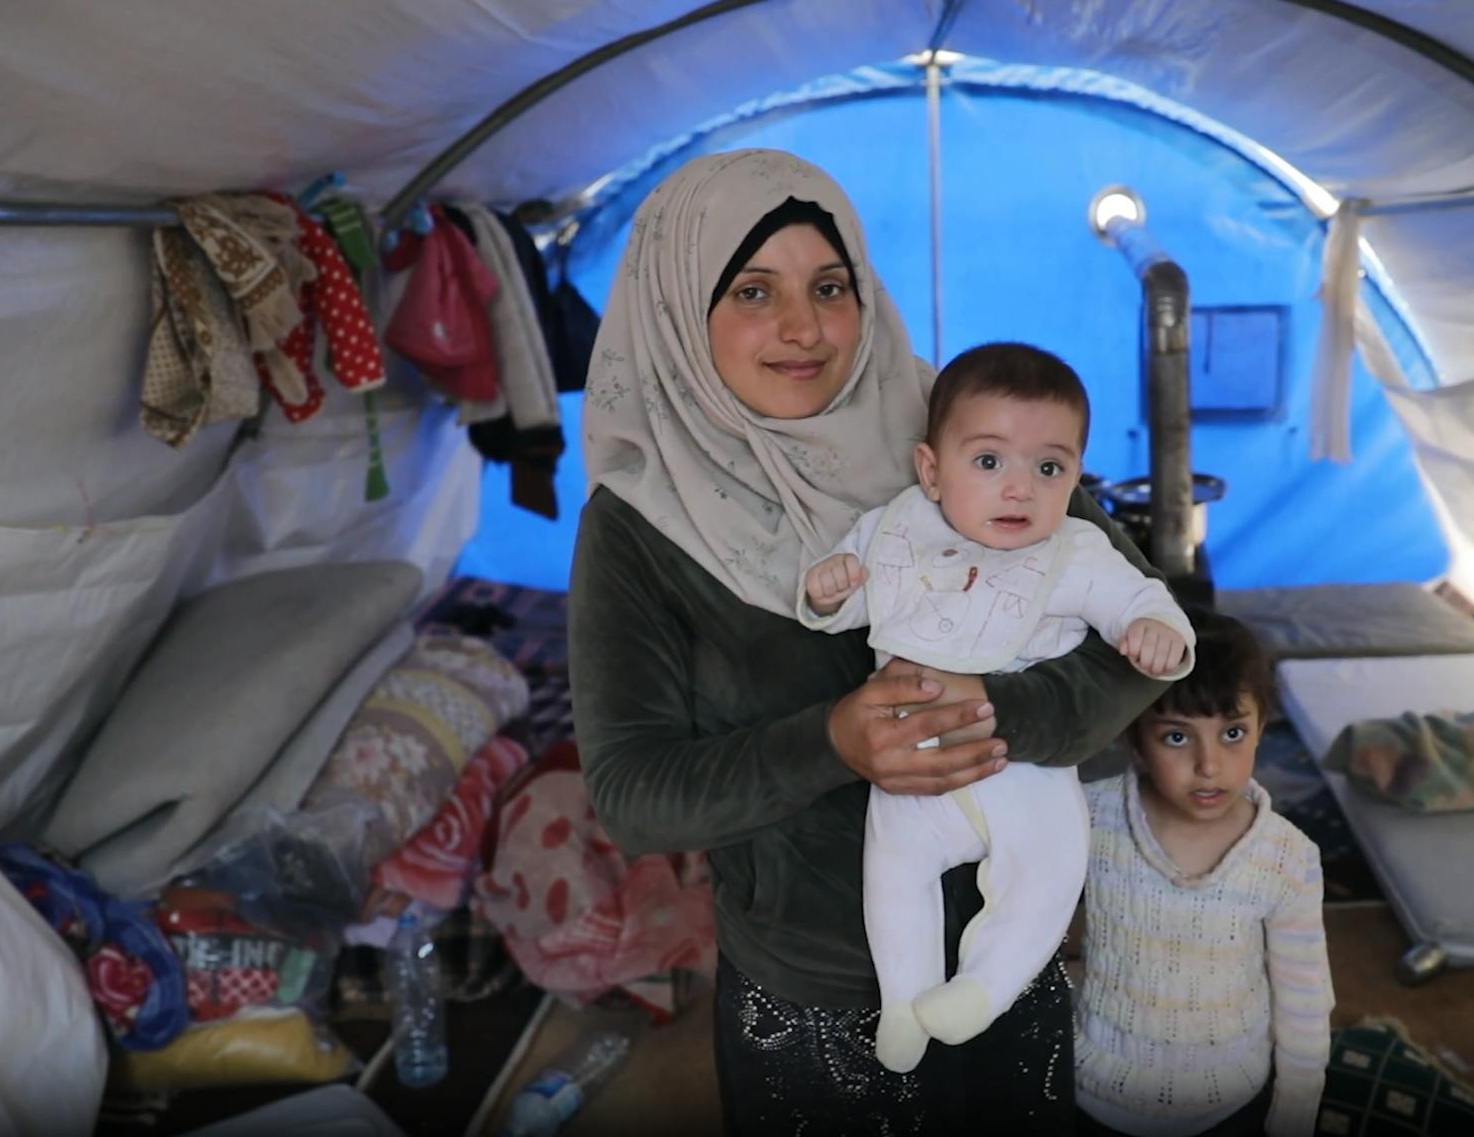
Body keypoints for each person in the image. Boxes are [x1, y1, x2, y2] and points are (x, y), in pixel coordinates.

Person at [569, 148, 1170, 1135]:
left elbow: (1138, 630)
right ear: (677, 309)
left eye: (829, 286)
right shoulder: (639, 527)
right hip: (808, 995)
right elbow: (634, 795)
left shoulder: (957, 434)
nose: (803, 328)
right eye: (753, 291)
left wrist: (1001, 710)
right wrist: (832, 744)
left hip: (1001, 958)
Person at [798, 341, 1196, 1074]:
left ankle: (984, 988)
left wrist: (1153, 628)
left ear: (1076, 474)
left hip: (1021, 768)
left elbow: (1139, 598)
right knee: (892, 870)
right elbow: (850, 600)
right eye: (988, 461)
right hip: (913, 760)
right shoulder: (897, 530)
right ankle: (905, 998)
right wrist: (830, 589)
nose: (1020, 489)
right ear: (930, 471)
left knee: (1052, 866)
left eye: (1049, 469)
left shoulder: (1076, 551)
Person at [1075, 610, 1332, 1137]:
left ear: (1262, 727)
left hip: (1231, 1097)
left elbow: (1304, 998)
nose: (1209, 765)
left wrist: (1296, 1110)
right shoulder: (1085, 819)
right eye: (1176, 737)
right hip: (1095, 1091)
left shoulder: (1289, 858)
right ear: (1134, 737)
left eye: (1233, 732)